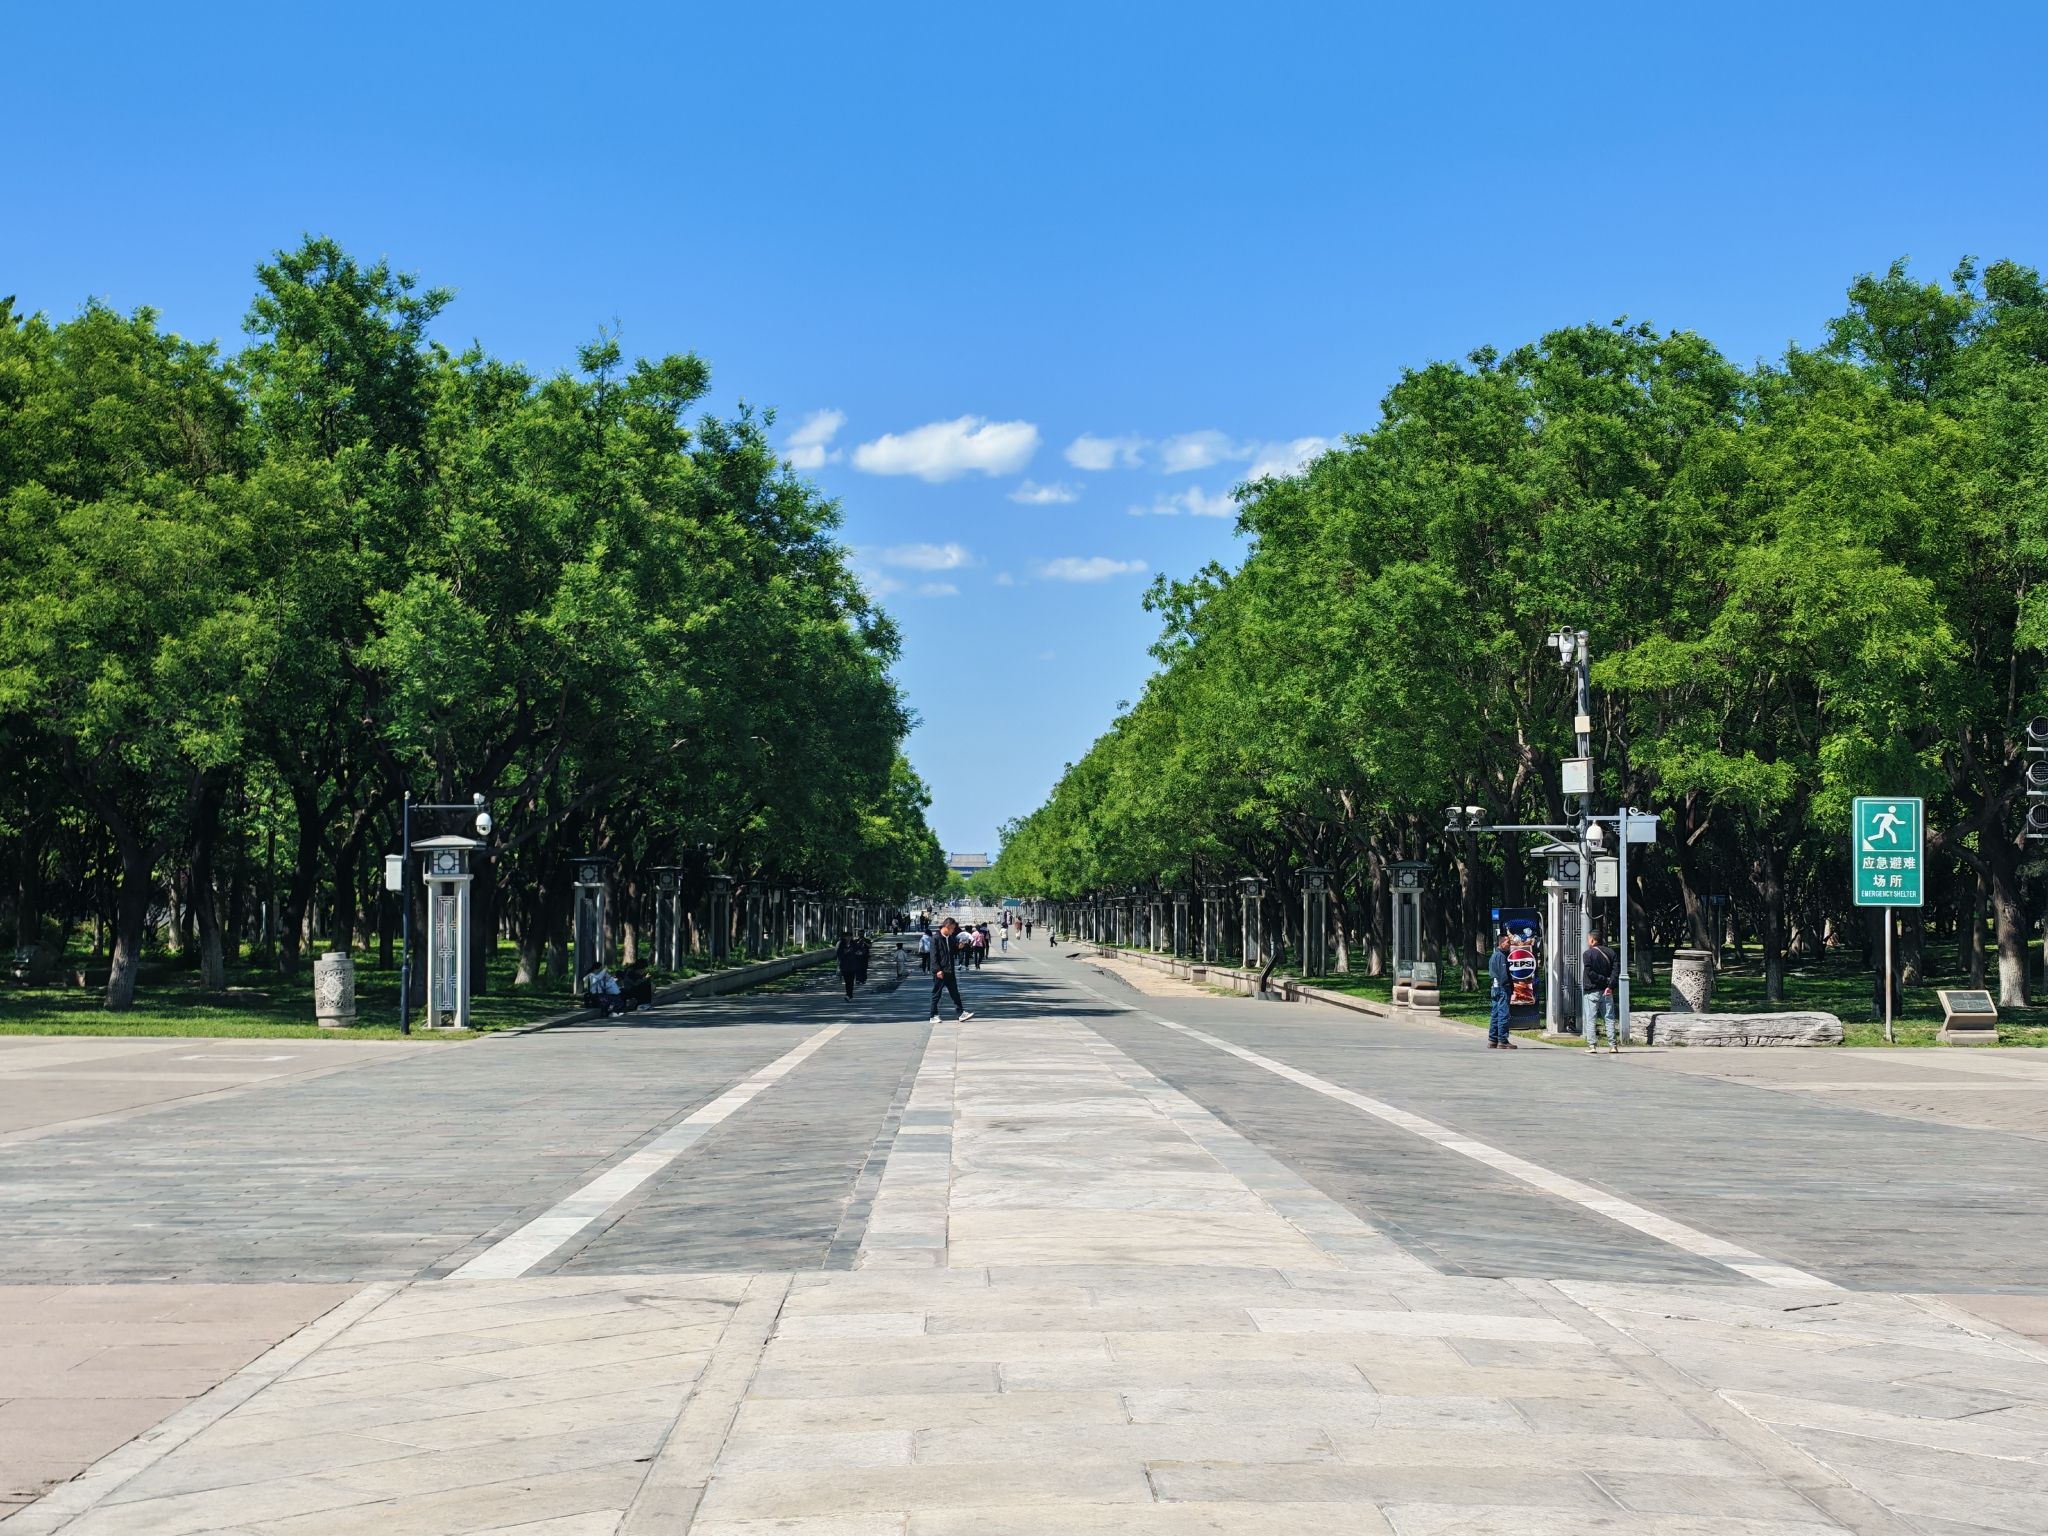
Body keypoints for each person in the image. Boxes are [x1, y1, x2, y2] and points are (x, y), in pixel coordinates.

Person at [929, 917, 974, 1023]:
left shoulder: (950, 938)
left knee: (955, 993)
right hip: (941, 972)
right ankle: (933, 1015)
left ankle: (961, 1013)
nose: (953, 931)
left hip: (950, 971)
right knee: (937, 994)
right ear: (947, 927)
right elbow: (933, 956)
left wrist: (960, 946)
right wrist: (937, 970)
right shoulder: (936, 938)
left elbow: (953, 951)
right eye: (952, 929)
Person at [1582, 928, 1618, 1052]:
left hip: (1592, 991)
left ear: (1592, 939)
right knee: (1609, 1018)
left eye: (1588, 939)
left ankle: (1592, 1045)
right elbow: (1615, 972)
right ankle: (1613, 1045)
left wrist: (1601, 979)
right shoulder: (1611, 953)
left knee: (1591, 1019)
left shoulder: (1588, 954)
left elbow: (1589, 972)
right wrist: (1610, 985)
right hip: (1607, 991)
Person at [1487, 932, 1517, 1049]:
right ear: (1501, 943)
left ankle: (1492, 1039)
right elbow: (1504, 975)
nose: (1509, 944)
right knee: (1503, 1013)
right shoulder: (1501, 957)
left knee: (1495, 1013)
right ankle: (1502, 1040)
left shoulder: (1494, 956)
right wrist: (1509, 987)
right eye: (1508, 942)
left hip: (1494, 987)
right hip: (1502, 988)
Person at [836, 930, 862, 1000]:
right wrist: (845, 953)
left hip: (853, 965)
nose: (847, 938)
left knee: (851, 980)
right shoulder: (841, 944)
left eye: (849, 936)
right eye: (846, 937)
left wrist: (859, 953)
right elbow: (839, 954)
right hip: (844, 965)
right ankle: (848, 994)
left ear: (851, 937)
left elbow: (860, 951)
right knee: (847, 981)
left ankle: (850, 994)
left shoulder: (854, 944)